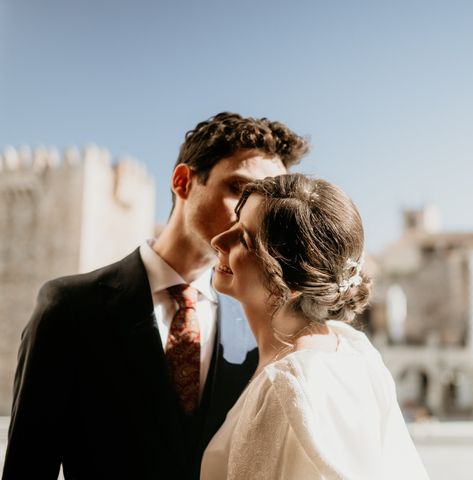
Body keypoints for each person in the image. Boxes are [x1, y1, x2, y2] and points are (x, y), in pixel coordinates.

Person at [2, 113, 309, 480]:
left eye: (265, 205)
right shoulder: (70, 307)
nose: (251, 216)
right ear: (183, 182)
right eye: (239, 191)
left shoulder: (259, 325)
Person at [201, 174, 429, 479]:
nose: (218, 240)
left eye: (243, 239)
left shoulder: (285, 386)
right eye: (234, 222)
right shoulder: (354, 351)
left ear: (292, 281)